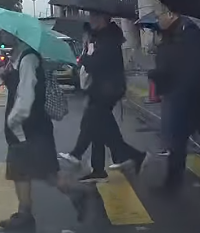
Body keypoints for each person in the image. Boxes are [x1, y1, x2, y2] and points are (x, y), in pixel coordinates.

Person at [0, 41, 86, 230]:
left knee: (43, 172)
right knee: (21, 170)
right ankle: (24, 213)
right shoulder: (20, 58)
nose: (2, 36)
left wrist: (13, 121)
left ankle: (79, 192)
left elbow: (26, 96)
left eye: (6, 33)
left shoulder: (28, 59)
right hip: (31, 126)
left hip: (29, 126)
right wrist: (7, 78)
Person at [60, 13, 145, 181]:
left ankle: (77, 154)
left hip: (107, 89)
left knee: (91, 122)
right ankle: (106, 164)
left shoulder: (109, 39)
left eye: (94, 18)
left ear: (103, 20)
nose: (91, 20)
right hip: (101, 88)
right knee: (100, 127)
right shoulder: (102, 37)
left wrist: (85, 57)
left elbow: (96, 64)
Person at [148, 6, 200, 190]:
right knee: (179, 143)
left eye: (159, 15)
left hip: (190, 98)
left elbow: (189, 67)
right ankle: (172, 183)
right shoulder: (174, 34)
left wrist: (161, 75)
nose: (157, 20)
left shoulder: (189, 33)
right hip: (182, 97)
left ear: (171, 14)